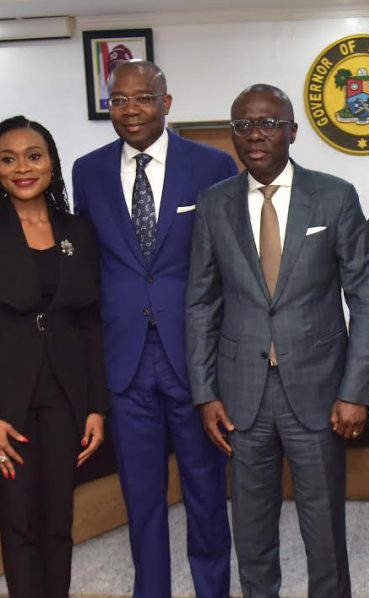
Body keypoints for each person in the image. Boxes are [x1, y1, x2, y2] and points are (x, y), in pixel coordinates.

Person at [186, 83, 369, 598]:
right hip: (240, 395)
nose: (255, 134)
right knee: (251, 533)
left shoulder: (335, 196)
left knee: (324, 532)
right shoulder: (214, 203)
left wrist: (355, 390)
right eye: (243, 125)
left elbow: (363, 299)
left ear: (292, 131)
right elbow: (201, 301)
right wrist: (204, 392)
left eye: (269, 123)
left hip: (319, 392)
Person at [72, 60, 236, 598]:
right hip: (125, 363)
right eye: (119, 100)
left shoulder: (211, 165)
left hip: (194, 361)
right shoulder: (87, 171)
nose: (131, 110)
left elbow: (229, 264)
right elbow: (90, 263)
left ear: (166, 103)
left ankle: (212, 589)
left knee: (205, 492)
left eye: (143, 97)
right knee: (140, 498)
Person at [0, 115, 107, 597]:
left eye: (33, 156)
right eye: (8, 159)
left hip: (65, 395)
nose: (22, 168)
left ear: (51, 162)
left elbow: (90, 322)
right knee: (18, 523)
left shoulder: (77, 231)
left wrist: (96, 406)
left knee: (59, 522)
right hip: (9, 402)